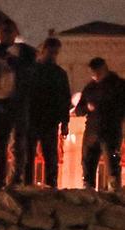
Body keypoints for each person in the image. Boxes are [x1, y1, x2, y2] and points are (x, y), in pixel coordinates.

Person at [0, 18, 36, 188]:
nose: (6, 34)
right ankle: (0, 179)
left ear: (16, 33)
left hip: (17, 103)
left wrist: (10, 60)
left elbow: (30, 73)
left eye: (9, 31)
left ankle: (16, 178)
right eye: (3, 31)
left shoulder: (26, 52)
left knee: (18, 143)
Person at [25, 37, 71, 188]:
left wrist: (65, 122)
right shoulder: (32, 71)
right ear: (43, 51)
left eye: (55, 53)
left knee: (50, 155)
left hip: (49, 120)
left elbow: (65, 99)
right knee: (29, 155)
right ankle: (28, 184)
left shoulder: (59, 74)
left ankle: (51, 185)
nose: (53, 56)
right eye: (51, 52)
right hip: (32, 118)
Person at [75, 58, 125, 191]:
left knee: (112, 162)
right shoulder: (90, 87)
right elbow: (79, 109)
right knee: (88, 163)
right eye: (92, 73)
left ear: (104, 69)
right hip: (92, 132)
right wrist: (87, 108)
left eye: (96, 72)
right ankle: (89, 188)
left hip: (111, 131)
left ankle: (114, 190)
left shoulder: (118, 85)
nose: (94, 76)